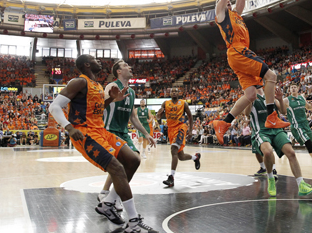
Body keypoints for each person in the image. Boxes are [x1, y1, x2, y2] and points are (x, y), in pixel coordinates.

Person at [48, 55, 158, 233]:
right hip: (85, 134)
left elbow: (96, 110)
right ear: (86, 64)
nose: (98, 61)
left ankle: (107, 204)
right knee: (117, 168)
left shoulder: (97, 85)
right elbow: (54, 107)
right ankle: (133, 222)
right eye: (94, 59)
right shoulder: (79, 82)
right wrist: (68, 127)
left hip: (101, 131)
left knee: (133, 160)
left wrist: (111, 100)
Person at [211, 0, 289, 144]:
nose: (227, 0)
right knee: (271, 75)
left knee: (252, 94)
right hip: (237, 51)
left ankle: (224, 122)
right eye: (224, 0)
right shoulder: (221, 14)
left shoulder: (236, 14)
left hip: (240, 55)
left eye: (228, 0)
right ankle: (272, 116)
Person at [98, 60, 156, 211]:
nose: (129, 67)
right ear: (118, 71)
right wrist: (111, 98)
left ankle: (107, 194)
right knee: (130, 161)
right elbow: (100, 105)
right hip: (110, 131)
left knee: (129, 163)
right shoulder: (112, 86)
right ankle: (112, 197)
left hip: (124, 132)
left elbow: (133, 117)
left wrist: (146, 133)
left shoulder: (131, 92)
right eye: (125, 66)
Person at [245, 86, 312, 197]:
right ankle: (271, 179)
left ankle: (301, 184)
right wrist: (249, 99)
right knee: (268, 152)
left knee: (291, 153)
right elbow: (246, 113)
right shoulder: (251, 96)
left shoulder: (270, 96)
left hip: (277, 129)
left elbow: (283, 111)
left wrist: (279, 99)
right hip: (262, 131)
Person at [156, 88, 201, 187]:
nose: (174, 93)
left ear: (179, 93)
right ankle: (195, 157)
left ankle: (171, 177)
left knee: (173, 149)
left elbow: (190, 116)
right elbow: (158, 117)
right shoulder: (165, 103)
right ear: (170, 93)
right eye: (172, 91)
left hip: (181, 127)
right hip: (171, 130)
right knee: (180, 156)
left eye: (176, 91)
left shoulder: (183, 103)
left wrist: (189, 130)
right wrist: (158, 114)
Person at [284, 84, 312, 175]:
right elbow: (281, 109)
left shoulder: (302, 98)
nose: (293, 88)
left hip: (305, 124)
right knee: (308, 143)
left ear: (298, 89)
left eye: (295, 87)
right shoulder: (286, 100)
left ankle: (294, 139)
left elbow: (308, 107)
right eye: (291, 87)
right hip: (296, 125)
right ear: (289, 89)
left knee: (310, 143)